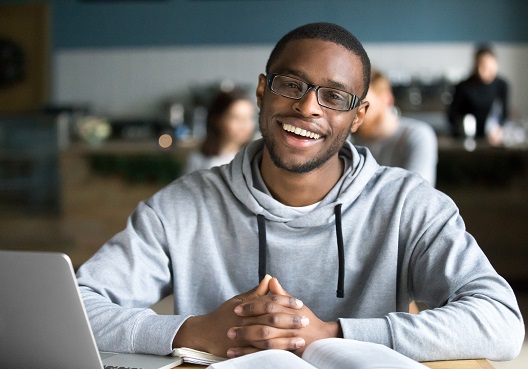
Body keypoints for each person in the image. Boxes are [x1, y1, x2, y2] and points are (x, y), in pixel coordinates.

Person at [77, 23, 524, 363]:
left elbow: (502, 323)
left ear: (358, 116)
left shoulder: (409, 205)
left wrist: (331, 336)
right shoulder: (179, 206)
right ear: (261, 91)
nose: (307, 106)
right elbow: (75, 308)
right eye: (291, 85)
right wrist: (194, 331)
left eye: (333, 96)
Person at [353, 69, 438, 186]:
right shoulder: (351, 139)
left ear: (387, 99)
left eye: (364, 105)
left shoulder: (417, 135)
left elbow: (416, 193)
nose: (356, 115)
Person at [448, 45, 509, 145]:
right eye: (482, 66)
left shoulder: (502, 85)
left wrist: (499, 129)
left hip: (493, 139)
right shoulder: (463, 87)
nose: (486, 70)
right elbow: (452, 116)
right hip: (466, 139)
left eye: (490, 65)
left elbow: (504, 115)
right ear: (476, 66)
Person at [185, 87, 255, 173]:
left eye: (249, 118)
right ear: (217, 120)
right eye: (236, 117)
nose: (244, 125)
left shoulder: (255, 160)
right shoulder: (199, 159)